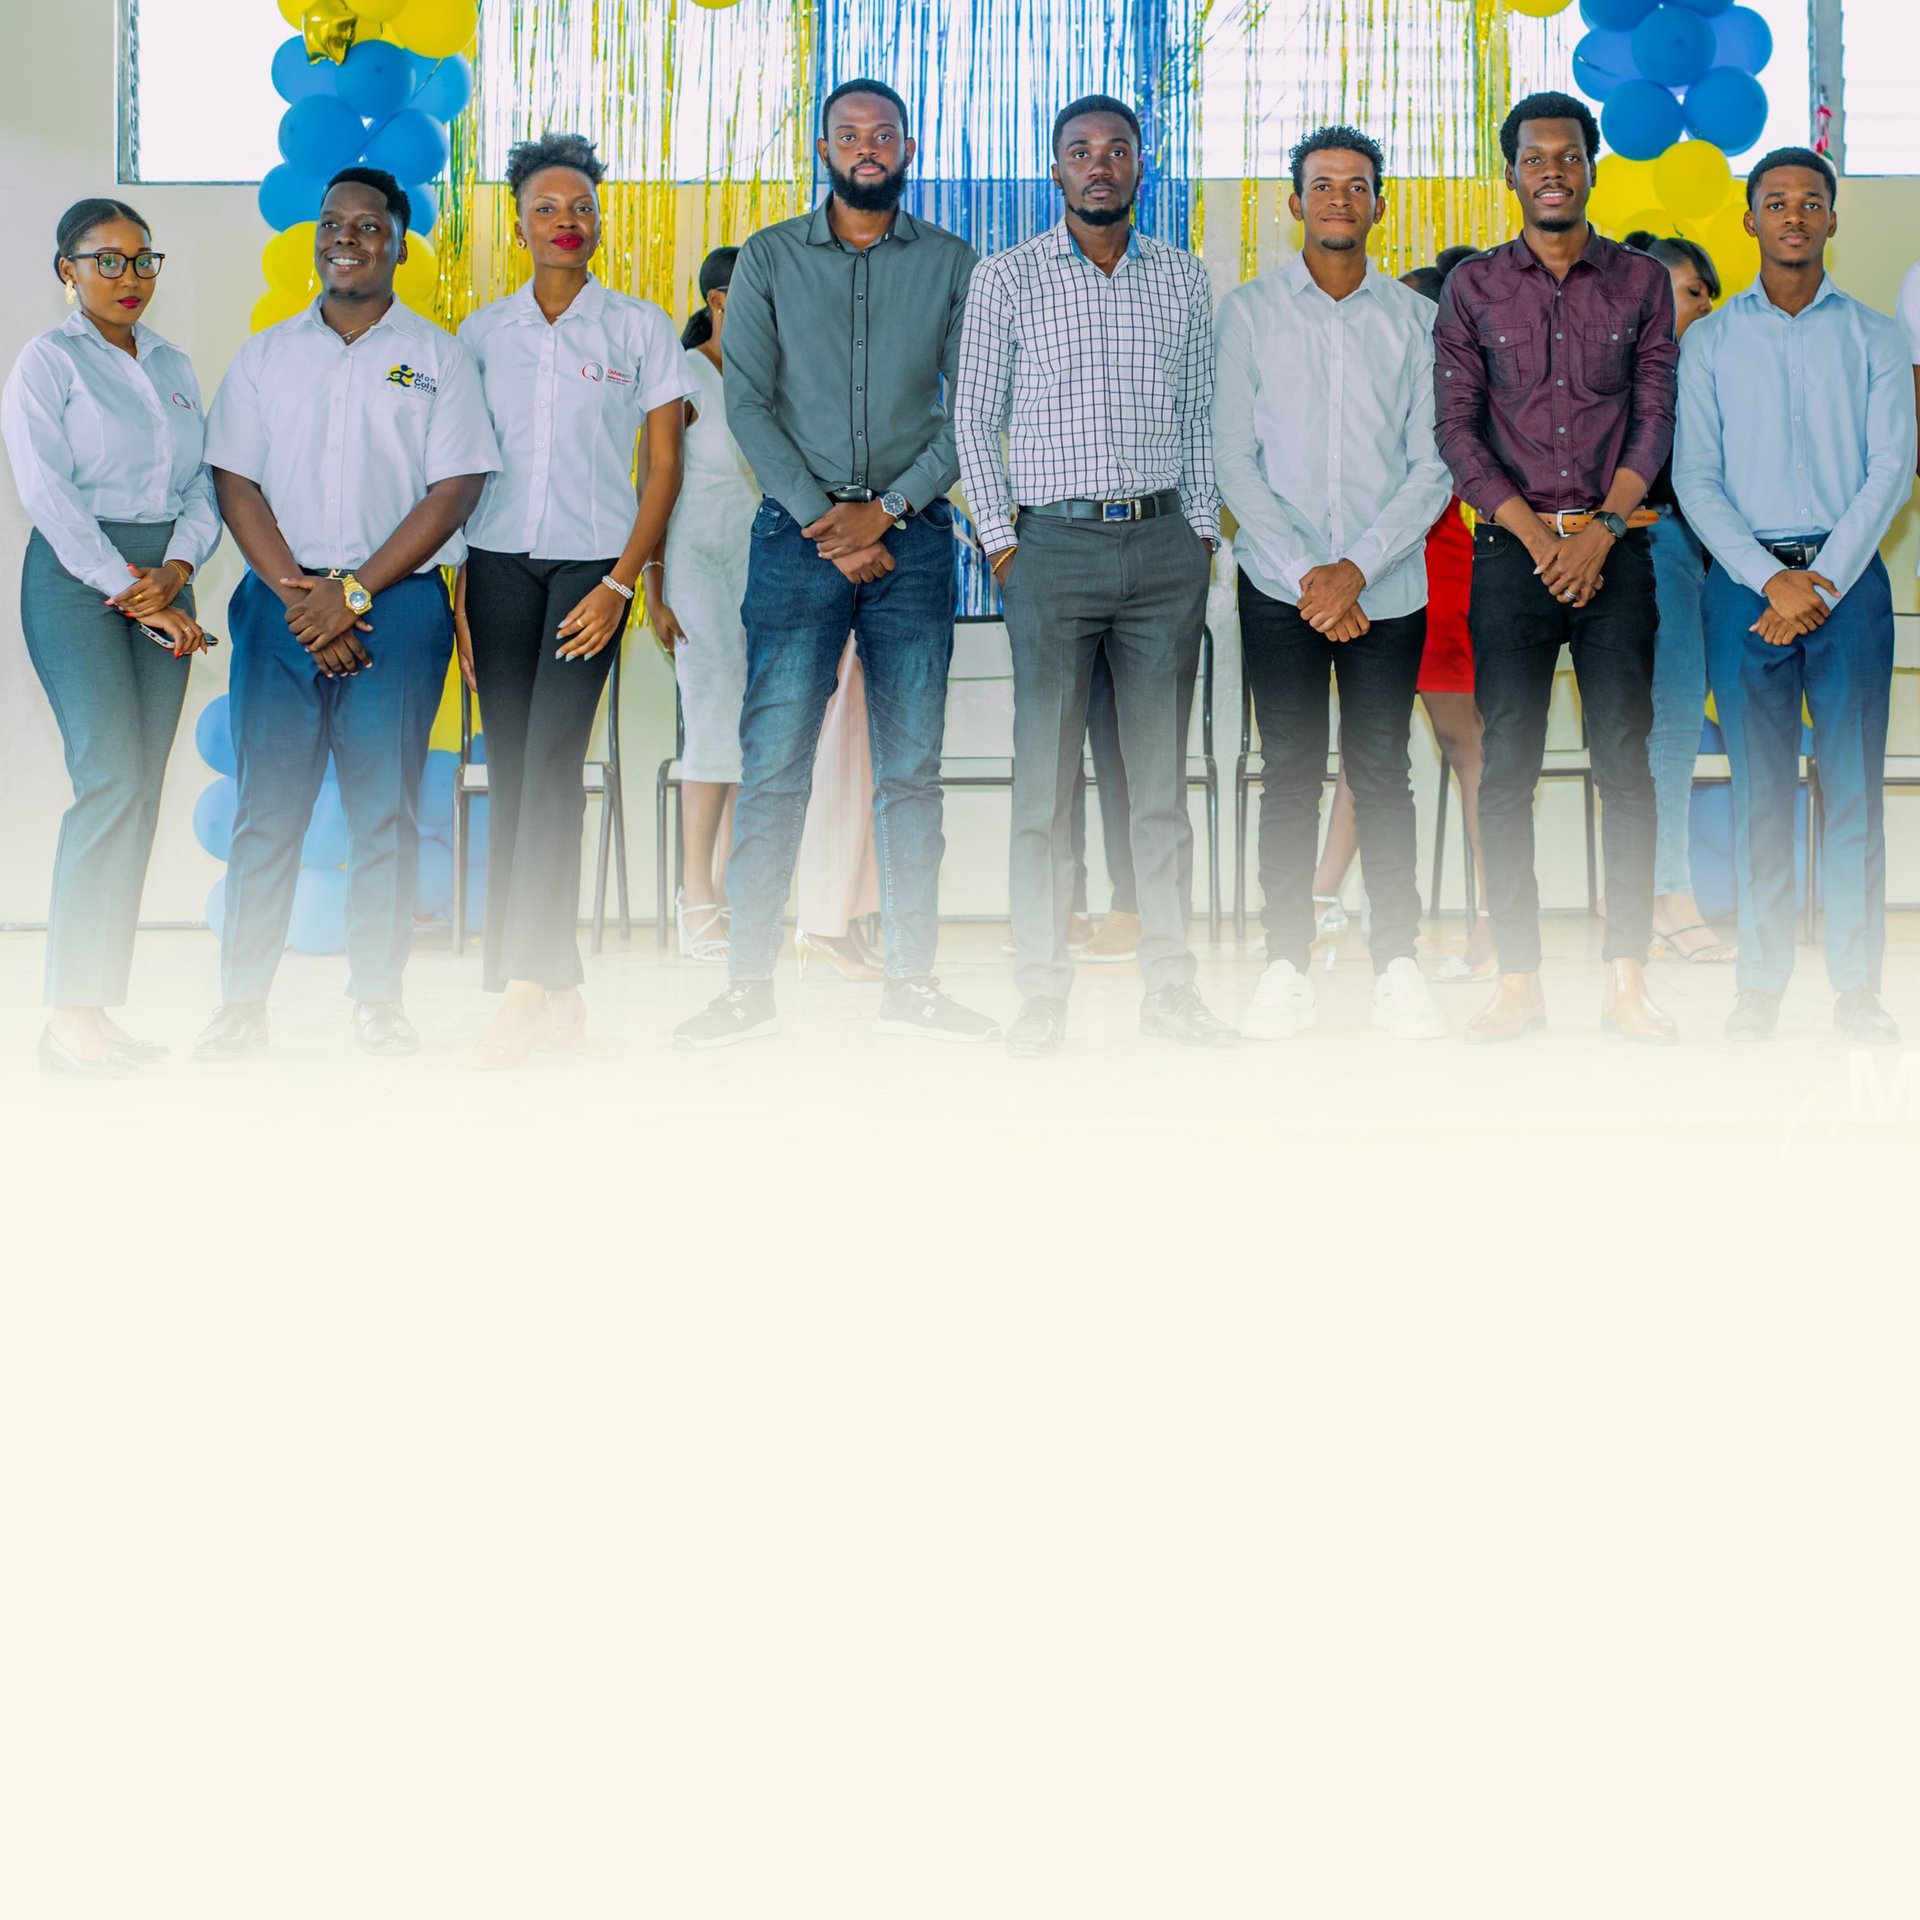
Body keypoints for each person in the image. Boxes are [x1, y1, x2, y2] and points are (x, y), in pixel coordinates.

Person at [672, 79, 997, 1048]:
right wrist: (827, 522)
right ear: (823, 149)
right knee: (773, 767)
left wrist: (884, 512)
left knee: (911, 772)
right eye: (849, 134)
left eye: (883, 134)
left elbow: (972, 409)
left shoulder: (951, 263)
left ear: (908, 149)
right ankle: (746, 988)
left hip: (913, 543)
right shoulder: (771, 257)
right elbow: (747, 405)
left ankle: (913, 982)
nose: (867, 147)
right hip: (795, 543)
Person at [196, 167, 499, 1061]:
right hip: (281, 605)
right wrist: (303, 597)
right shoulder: (265, 356)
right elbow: (234, 482)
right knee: (266, 812)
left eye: (368, 226)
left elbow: (455, 491)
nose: (346, 238)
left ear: (399, 244)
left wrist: (354, 593)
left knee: (383, 812)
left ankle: (378, 1000)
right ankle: (241, 1004)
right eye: (332, 223)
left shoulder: (440, 358)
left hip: (395, 607)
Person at [957, 92, 1231, 1059]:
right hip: (1052, 553)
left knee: (1158, 789)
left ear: (1141, 166)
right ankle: (1041, 994)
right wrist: (1003, 544)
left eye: (1117, 149)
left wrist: (1200, 535)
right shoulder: (1007, 277)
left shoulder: (1183, 278)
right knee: (1045, 789)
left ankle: (1172, 988)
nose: (1100, 165)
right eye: (1081, 151)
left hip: (1161, 551)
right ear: (1057, 170)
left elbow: (1200, 418)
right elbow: (972, 420)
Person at [1433, 90, 1679, 1045]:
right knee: (1506, 772)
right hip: (1511, 554)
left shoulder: (1641, 282)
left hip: (1617, 552)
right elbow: (1457, 432)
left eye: (1568, 155)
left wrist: (1601, 531)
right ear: (1512, 174)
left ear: (1590, 167)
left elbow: (1654, 418)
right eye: (1534, 157)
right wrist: (1543, 542)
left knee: (1625, 766)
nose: (1552, 171)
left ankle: (1627, 984)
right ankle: (1519, 984)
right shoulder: (1473, 288)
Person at [1214, 126, 1452, 1042]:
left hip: (1387, 588)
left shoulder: (1418, 322)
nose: (1339, 199)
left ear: (1380, 205)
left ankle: (1398, 965)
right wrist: (1310, 576)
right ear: (1295, 204)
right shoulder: (1249, 315)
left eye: (1357, 185)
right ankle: (1286, 963)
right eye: (1322, 185)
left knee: (1384, 772)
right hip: (1281, 590)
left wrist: (1356, 571)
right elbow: (1234, 461)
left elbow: (1433, 466)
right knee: (1288, 773)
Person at [456, 134, 689, 1068]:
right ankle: (556, 981)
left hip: (591, 574)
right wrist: (462, 599)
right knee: (516, 772)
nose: (566, 221)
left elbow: (663, 469)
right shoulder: (481, 335)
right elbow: (460, 472)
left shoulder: (639, 329)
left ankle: (520, 989)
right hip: (495, 567)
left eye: (581, 208)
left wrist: (620, 584)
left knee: (554, 765)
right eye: (547, 208)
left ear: (600, 222)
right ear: (518, 225)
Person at [1673, 147, 1914, 1044]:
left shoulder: (1876, 337)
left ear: (1832, 220)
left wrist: (1820, 581)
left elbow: (1891, 470)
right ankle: (1760, 988)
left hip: (1849, 591)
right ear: (1750, 220)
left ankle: (1857, 991)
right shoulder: (1709, 343)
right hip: (1744, 590)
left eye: (1811, 202)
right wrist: (1769, 579)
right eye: (1775, 202)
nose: (1794, 216)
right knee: (1761, 794)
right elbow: (1695, 477)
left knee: (1852, 791)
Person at [1, 197, 217, 1076]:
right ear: (68, 270)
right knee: (110, 782)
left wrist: (177, 570)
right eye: (108, 260)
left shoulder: (172, 363)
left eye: (142, 259)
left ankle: (96, 1012)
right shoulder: (46, 363)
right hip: (75, 580)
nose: (130, 277)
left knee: (140, 794)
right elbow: (46, 493)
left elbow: (201, 484)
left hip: (162, 577)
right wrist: (133, 589)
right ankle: (67, 1019)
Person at [1293, 246, 1496, 982]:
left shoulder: (1452, 383)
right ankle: (1319, 904)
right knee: (1369, 746)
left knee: (1463, 744)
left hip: (1434, 564)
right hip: (1366, 571)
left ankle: (1495, 920)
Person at [1621, 230, 1734, 966]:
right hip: (1654, 545)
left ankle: (1640, 893)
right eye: (1695, 292)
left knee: (1652, 730)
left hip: (1684, 550)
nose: (1706, 307)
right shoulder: (1638, 370)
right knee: (1669, 726)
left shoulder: (1695, 369)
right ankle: (1667, 895)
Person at [647, 244, 754, 964]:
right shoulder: (683, 375)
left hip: (760, 568)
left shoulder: (767, 377)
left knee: (753, 729)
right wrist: (652, 588)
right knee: (713, 722)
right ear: (718, 301)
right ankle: (695, 897)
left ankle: (734, 890)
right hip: (696, 566)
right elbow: (653, 482)